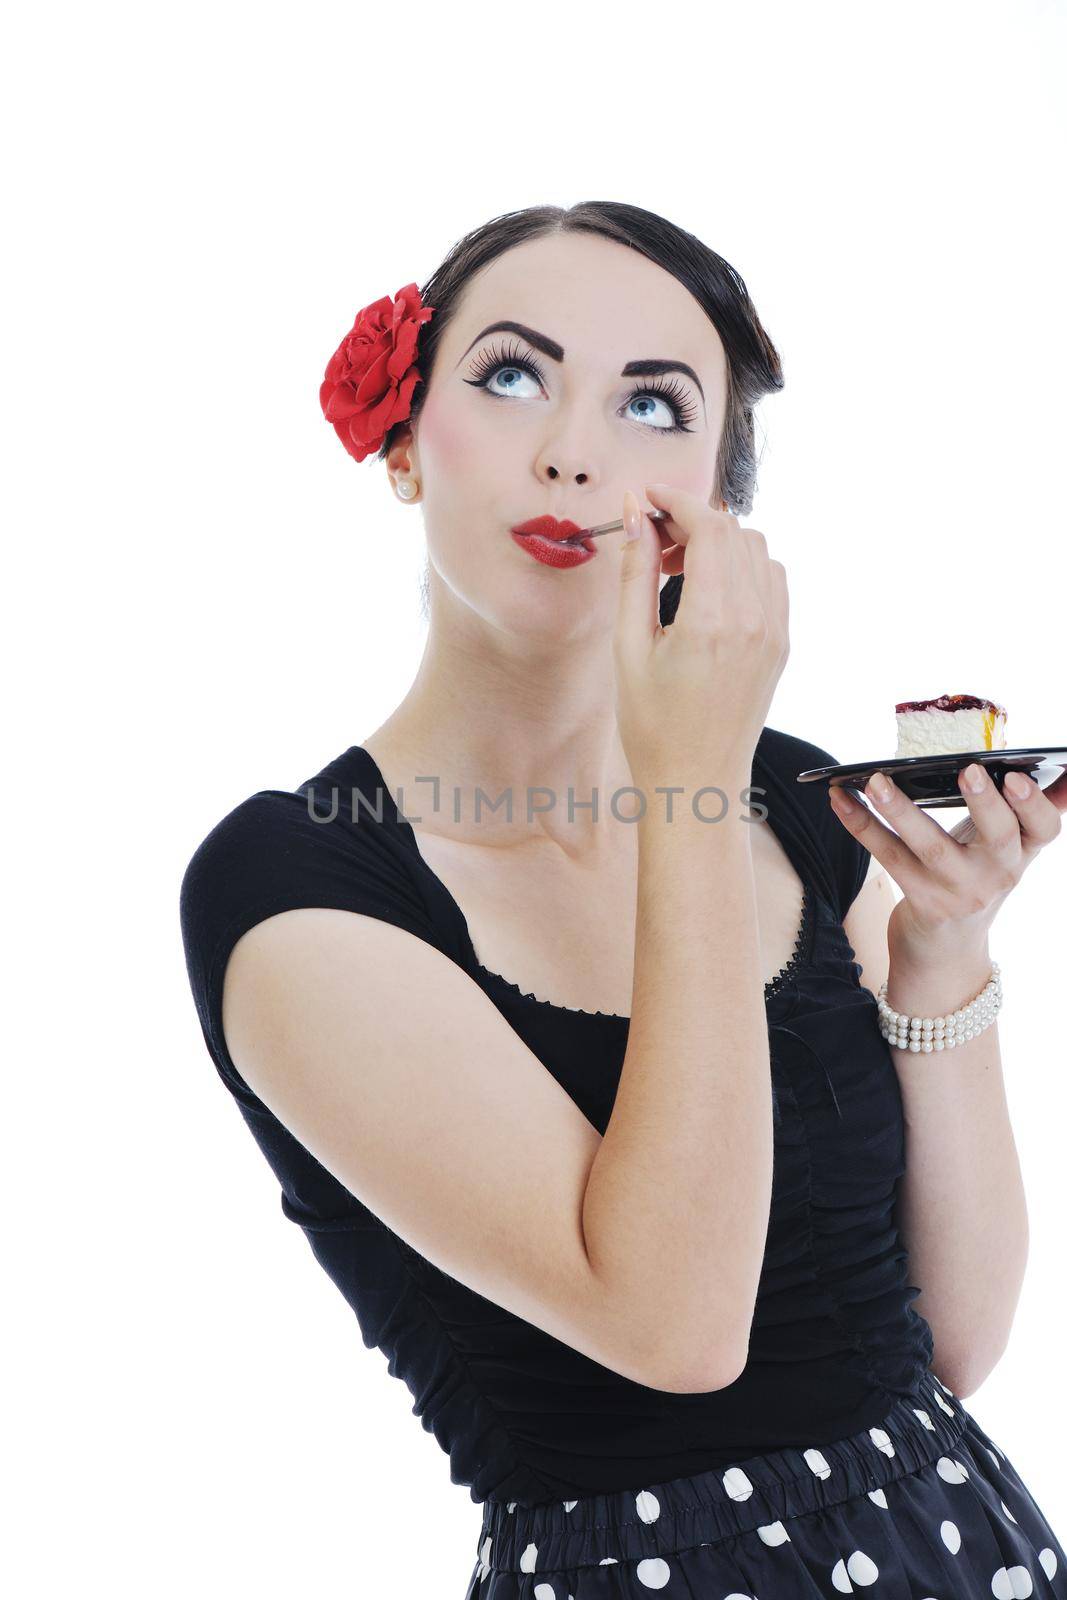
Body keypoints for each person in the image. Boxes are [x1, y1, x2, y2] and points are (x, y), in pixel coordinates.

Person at [179, 201, 1067, 1596]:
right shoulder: (295, 884)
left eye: (652, 403)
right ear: (406, 444)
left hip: (959, 1545)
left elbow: (947, 1345)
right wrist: (686, 784)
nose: (575, 452)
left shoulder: (784, 794)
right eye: (514, 375)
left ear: (719, 492)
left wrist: (941, 959)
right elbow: (677, 1324)